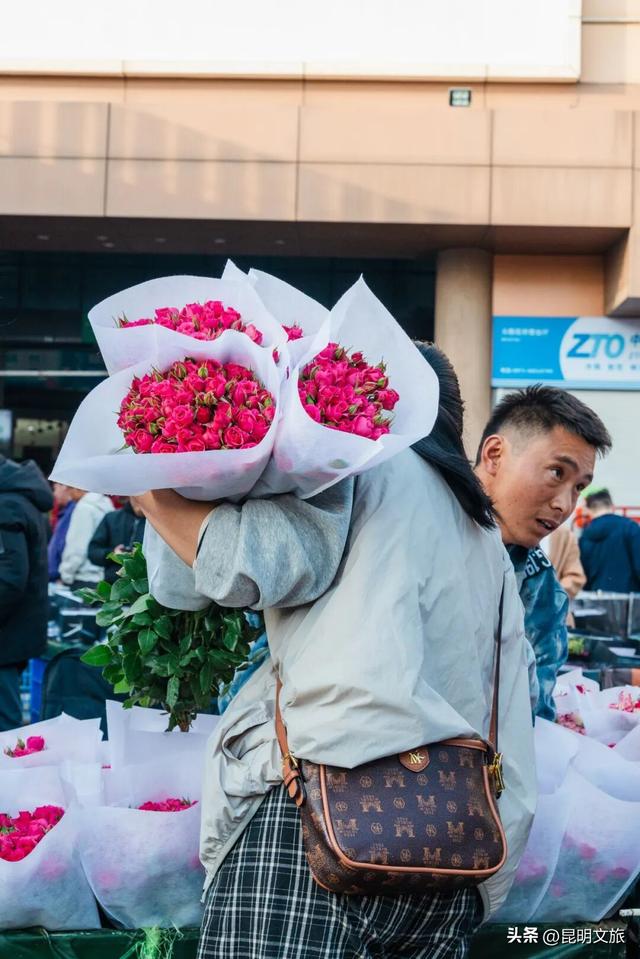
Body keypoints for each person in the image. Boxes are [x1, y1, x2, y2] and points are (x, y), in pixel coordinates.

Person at [138, 345, 536, 958]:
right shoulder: (481, 528)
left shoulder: (352, 463)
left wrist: (154, 492)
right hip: (453, 851)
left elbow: (240, 569)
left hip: (324, 825)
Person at [475, 385, 611, 721]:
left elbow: (532, 714)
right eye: (556, 473)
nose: (564, 505)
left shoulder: (541, 586)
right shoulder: (416, 523)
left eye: (579, 487)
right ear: (495, 455)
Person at [0, 455, 53, 731]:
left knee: (5, 725)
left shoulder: (6, 505)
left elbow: (8, 579)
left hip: (7, 638)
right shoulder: (17, 498)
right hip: (14, 633)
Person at [579, 488, 640, 593]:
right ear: (611, 505)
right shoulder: (630, 527)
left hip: (597, 601)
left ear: (588, 509)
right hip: (629, 603)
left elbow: (583, 577)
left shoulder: (585, 537)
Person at [58, 488, 114, 590]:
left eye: (70, 488)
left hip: (83, 578)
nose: (69, 494)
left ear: (78, 488)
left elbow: (77, 548)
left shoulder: (83, 508)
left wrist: (66, 575)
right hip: (102, 578)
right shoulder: (107, 506)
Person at [87, 496, 146, 584]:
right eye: (137, 496)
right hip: (112, 584)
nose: (141, 500)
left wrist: (141, 555)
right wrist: (113, 554)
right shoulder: (111, 518)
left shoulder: (158, 524)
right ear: (130, 495)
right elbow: (93, 552)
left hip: (144, 587)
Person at [542, 523, 586, 627]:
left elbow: (575, 576)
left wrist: (553, 594)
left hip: (555, 619)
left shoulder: (563, 534)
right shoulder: (510, 530)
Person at [48, 482, 77, 581]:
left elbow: (61, 545)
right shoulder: (67, 511)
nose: (54, 494)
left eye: (55, 489)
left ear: (64, 487)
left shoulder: (73, 511)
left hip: (61, 577)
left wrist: (63, 575)